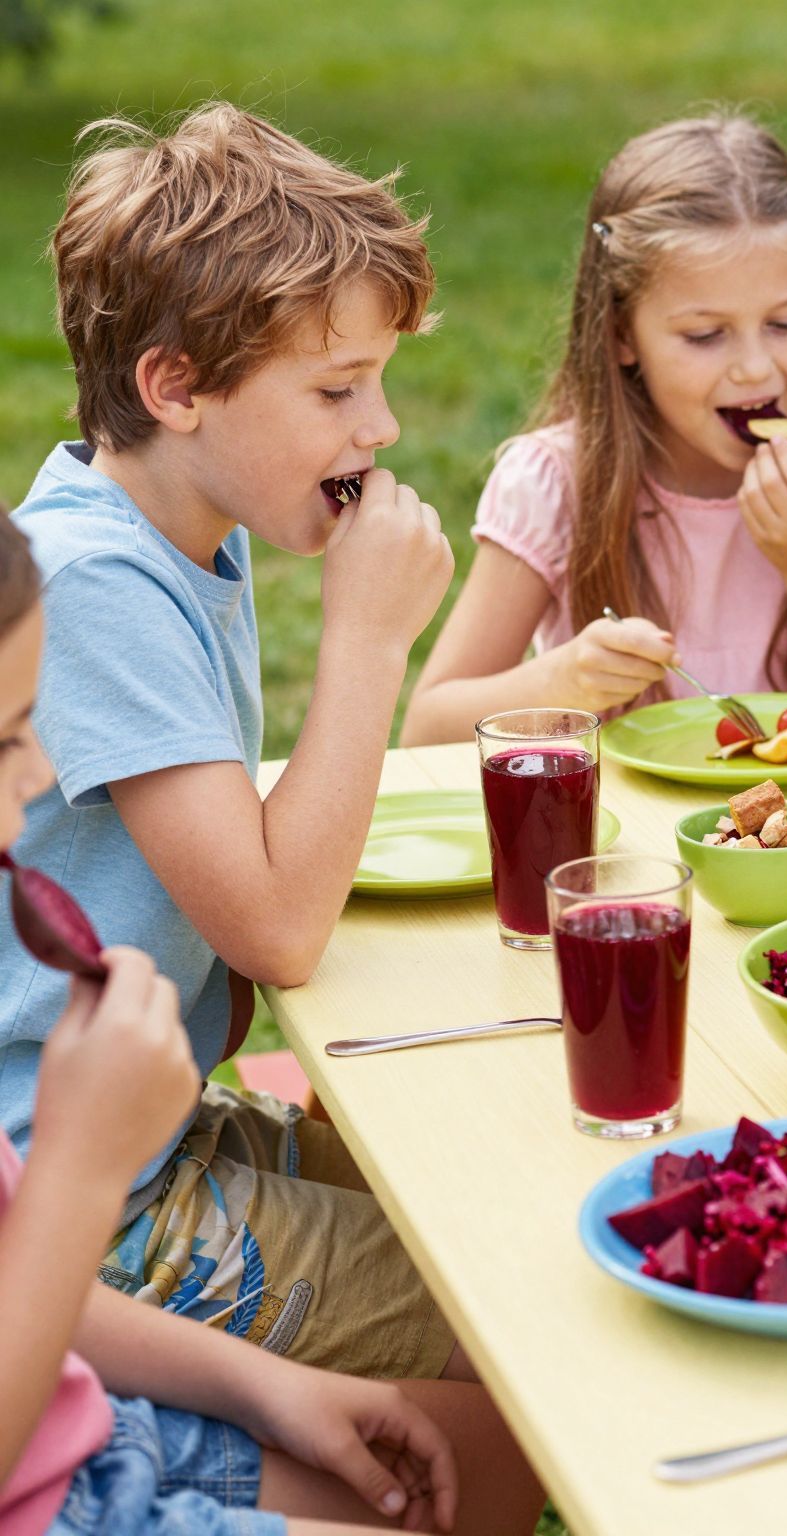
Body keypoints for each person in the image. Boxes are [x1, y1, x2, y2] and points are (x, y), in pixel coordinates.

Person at [1, 101, 472, 1377]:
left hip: (161, 1121)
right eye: (335, 389)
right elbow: (273, 928)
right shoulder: (93, 582)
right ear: (176, 388)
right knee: (489, 1321)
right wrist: (370, 646)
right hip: (74, 1192)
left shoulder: (188, 530)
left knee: (467, 1198)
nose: (377, 429)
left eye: (377, 382)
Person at [0, 516, 544, 1535]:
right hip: (57, 1472)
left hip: (82, 1430)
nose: (37, 776)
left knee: (488, 1470)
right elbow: (279, 933)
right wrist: (79, 1166)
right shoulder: (102, 580)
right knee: (521, 1326)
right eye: (4, 740)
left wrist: (263, 1386)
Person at [402, 113, 787, 744]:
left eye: (786, 323)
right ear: (622, 334)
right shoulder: (553, 482)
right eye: (705, 335)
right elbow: (427, 732)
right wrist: (564, 681)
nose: (756, 369)